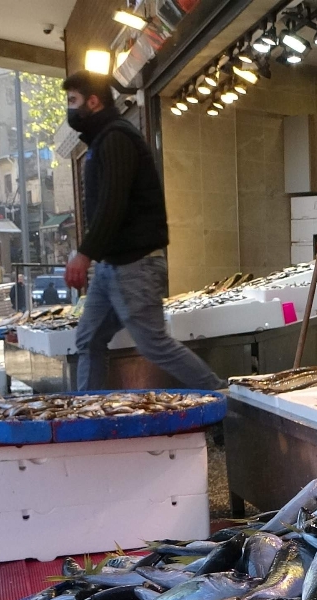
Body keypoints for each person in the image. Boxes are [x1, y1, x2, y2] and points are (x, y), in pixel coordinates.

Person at [62, 71, 225, 391]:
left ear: (93, 102)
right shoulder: (101, 141)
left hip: (135, 264)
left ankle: (223, 396)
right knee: (89, 338)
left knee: (154, 344)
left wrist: (84, 254)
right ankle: (88, 412)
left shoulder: (117, 138)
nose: (69, 109)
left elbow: (114, 203)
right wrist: (93, 255)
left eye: (73, 101)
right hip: (111, 266)